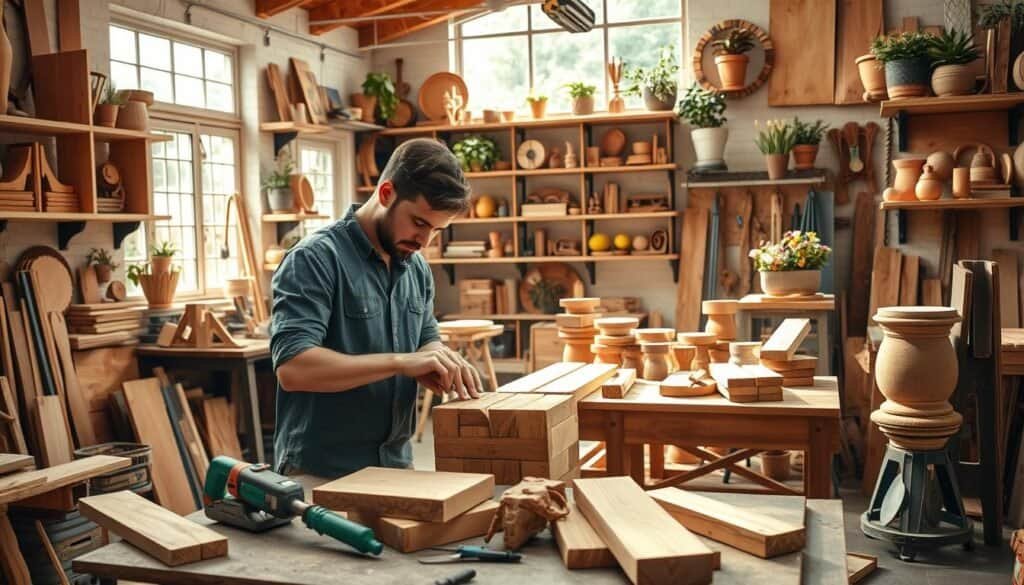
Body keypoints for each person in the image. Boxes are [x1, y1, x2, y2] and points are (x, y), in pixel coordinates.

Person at [270, 138, 483, 480]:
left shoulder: (415, 267)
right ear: (386, 194)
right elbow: (294, 369)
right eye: (419, 223)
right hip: (323, 471)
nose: (424, 241)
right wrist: (401, 363)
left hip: (396, 463)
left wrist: (441, 360)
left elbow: (426, 339)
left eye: (437, 230)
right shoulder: (314, 259)